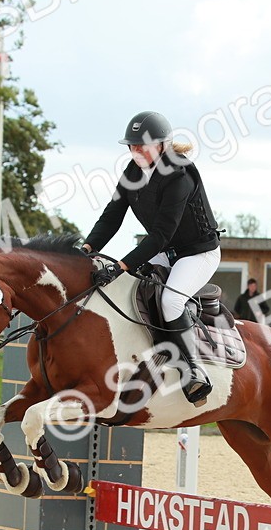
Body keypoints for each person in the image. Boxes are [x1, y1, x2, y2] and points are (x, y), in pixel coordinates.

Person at [81, 111, 221, 405]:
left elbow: (160, 235)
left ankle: (193, 372)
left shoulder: (178, 174)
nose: (136, 152)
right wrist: (86, 249)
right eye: (132, 147)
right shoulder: (132, 173)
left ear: (162, 145)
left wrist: (120, 266)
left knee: (170, 300)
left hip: (198, 253)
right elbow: (111, 218)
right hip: (165, 251)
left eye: (142, 146)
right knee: (130, 292)